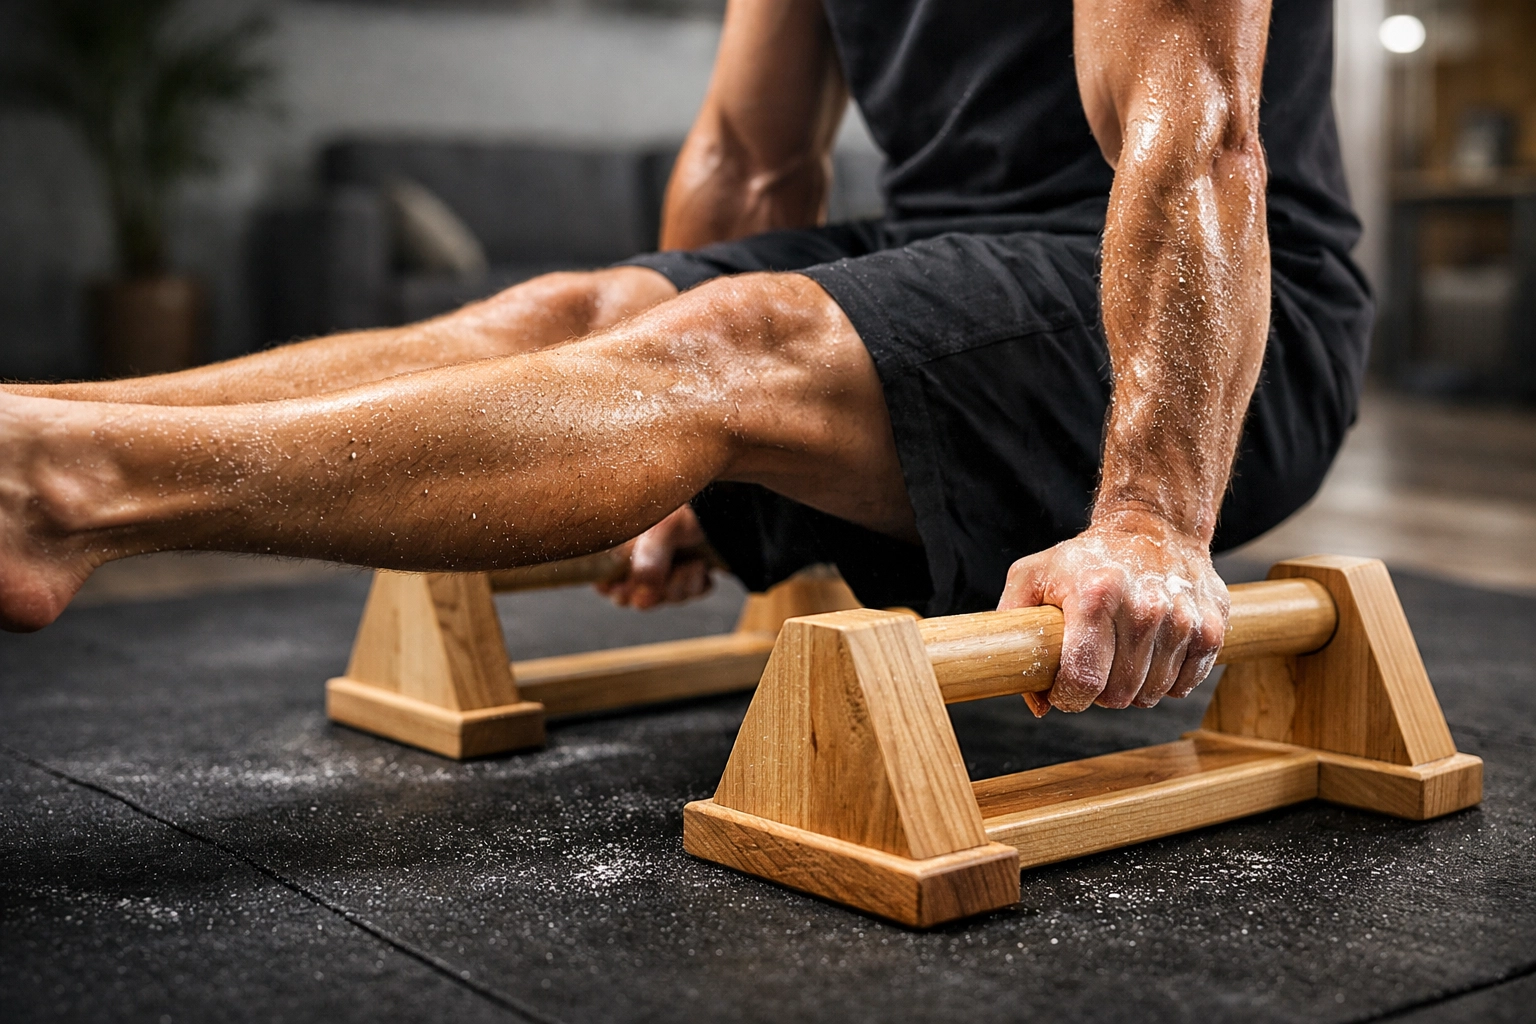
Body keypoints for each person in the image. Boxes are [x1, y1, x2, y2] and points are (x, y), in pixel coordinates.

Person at [0, 0, 1369, 716]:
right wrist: (661, 469)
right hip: (951, 266)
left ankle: (71, 495)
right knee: (566, 311)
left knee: (731, 344)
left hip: (1227, 329)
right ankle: (40, 436)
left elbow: (1199, 138)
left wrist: (1149, 518)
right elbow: (744, 155)